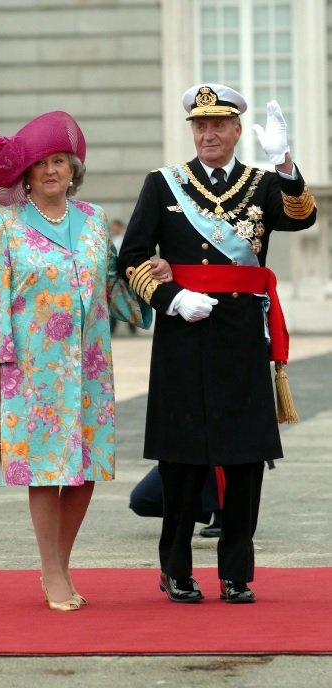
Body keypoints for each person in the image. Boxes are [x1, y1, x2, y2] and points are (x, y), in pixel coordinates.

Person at [0, 110, 169, 612]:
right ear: (25, 174)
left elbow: (115, 289)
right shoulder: (2, 227)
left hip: (90, 366)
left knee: (85, 470)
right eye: (41, 163)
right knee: (47, 470)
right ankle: (51, 571)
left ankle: (61, 562)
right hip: (33, 369)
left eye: (60, 161)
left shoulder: (93, 221)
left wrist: (151, 278)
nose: (51, 170)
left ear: (74, 170)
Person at [118, 83, 317, 604]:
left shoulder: (261, 183)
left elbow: (303, 218)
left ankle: (237, 571)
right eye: (200, 126)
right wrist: (170, 298)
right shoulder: (164, 184)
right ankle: (175, 569)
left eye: (218, 125)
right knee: (182, 460)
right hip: (184, 336)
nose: (208, 133)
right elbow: (132, 257)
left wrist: (285, 163)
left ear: (235, 131)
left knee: (245, 459)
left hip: (242, 339)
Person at [129, 465, 223, 536]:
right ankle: (211, 506)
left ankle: (226, 516)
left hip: (217, 454)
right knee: (141, 500)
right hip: (183, 452)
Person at [109, 219, 136, 336]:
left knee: (128, 302)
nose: (115, 230)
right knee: (114, 302)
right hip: (115, 275)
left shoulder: (123, 240)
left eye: (116, 227)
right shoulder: (111, 240)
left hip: (124, 275)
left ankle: (132, 328)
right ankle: (113, 328)